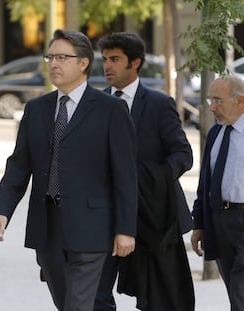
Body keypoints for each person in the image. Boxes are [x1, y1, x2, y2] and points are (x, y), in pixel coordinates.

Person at [0, 29, 138, 311]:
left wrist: (125, 229)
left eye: (62, 57)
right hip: (48, 226)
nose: (53, 64)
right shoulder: (36, 109)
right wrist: (2, 211)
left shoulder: (111, 110)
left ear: (83, 63)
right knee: (67, 302)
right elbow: (19, 166)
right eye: (50, 57)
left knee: (79, 304)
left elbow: (125, 175)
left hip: (93, 227)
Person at [95, 32, 195, 311]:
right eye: (105, 59)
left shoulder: (158, 104)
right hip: (104, 216)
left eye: (115, 59)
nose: (107, 66)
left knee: (160, 299)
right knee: (94, 294)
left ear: (135, 62)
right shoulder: (95, 104)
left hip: (151, 217)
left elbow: (183, 155)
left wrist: (153, 179)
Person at [191, 75, 244, 311]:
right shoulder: (216, 133)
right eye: (209, 100)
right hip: (220, 223)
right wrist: (200, 224)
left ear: (240, 101)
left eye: (217, 100)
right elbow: (205, 185)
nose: (212, 107)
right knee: (238, 296)